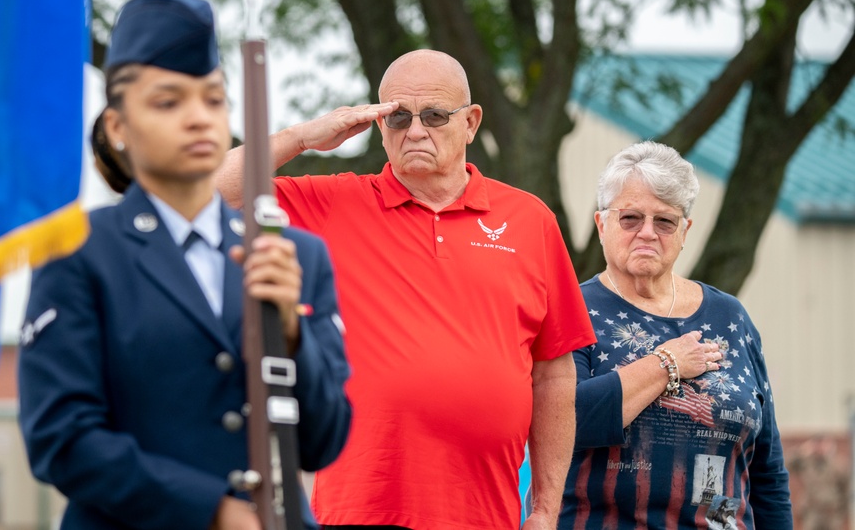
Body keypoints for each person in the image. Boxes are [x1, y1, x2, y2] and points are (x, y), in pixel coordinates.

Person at [216, 49, 596, 529]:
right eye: (397, 116)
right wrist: (301, 137)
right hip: (359, 509)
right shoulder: (336, 202)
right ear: (379, 123)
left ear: (471, 122)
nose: (415, 131)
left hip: (485, 513)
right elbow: (204, 193)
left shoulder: (530, 219)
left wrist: (544, 509)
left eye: (435, 115)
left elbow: (555, 375)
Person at [17, 0, 352, 530]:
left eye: (213, 100)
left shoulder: (295, 255)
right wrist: (211, 511)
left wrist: (290, 333)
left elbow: (325, 439)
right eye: (168, 102)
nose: (199, 118)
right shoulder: (79, 250)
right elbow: (61, 438)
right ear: (119, 126)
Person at [559, 140, 792, 529]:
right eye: (630, 218)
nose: (647, 233)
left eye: (664, 221)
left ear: (685, 231)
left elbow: (767, 471)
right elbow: (568, 419)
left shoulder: (729, 316)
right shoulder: (573, 310)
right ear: (602, 225)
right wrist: (667, 363)